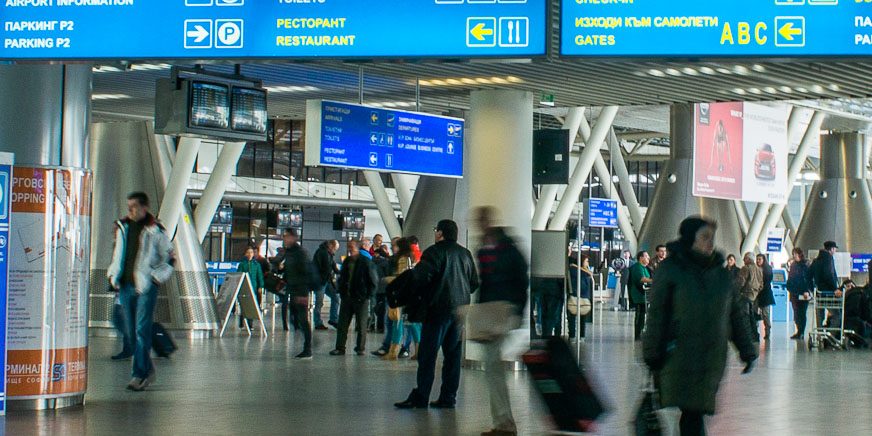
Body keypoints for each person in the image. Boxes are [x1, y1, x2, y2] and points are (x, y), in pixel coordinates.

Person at [644, 216, 757, 436]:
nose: (710, 243)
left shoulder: (722, 275)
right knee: (693, 413)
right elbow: (658, 315)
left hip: (712, 358)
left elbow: (735, 316)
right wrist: (652, 353)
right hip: (679, 354)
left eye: (711, 238)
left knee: (694, 413)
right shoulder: (672, 270)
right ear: (689, 239)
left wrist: (747, 350)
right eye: (704, 237)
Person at [395, 219, 479, 409]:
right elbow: (473, 283)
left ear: (440, 233)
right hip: (459, 312)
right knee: (453, 356)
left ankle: (422, 396)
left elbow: (421, 277)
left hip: (437, 310)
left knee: (428, 355)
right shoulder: (465, 254)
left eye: (436, 230)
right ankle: (448, 397)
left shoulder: (434, 252)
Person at [107, 192, 175, 391]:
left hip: (145, 286)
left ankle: (139, 374)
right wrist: (113, 276)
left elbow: (170, 258)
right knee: (131, 330)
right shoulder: (123, 227)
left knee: (140, 331)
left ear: (144, 207)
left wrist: (156, 277)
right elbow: (118, 254)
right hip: (125, 285)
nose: (130, 210)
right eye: (129, 206)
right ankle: (146, 368)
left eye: (134, 206)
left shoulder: (156, 231)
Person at [476, 226, 528, 436]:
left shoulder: (505, 253)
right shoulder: (491, 252)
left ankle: (505, 424)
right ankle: (503, 422)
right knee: (492, 367)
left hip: (502, 313)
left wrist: (514, 312)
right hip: (495, 314)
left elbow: (514, 284)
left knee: (492, 366)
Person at [331, 239, 378, 356]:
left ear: (357, 247)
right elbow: (342, 278)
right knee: (342, 324)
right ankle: (340, 347)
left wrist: (367, 296)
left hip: (361, 298)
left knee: (361, 325)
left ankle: (360, 348)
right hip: (347, 297)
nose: (349, 249)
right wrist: (341, 291)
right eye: (348, 246)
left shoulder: (366, 262)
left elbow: (373, 280)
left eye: (351, 246)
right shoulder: (347, 261)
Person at [276, 228, 315, 359]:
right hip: (292, 289)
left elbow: (305, 272)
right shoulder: (289, 253)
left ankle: (308, 347)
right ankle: (307, 341)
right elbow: (288, 269)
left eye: (286, 236)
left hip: (300, 291)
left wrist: (302, 291)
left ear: (293, 237)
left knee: (303, 319)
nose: (284, 239)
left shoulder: (300, 253)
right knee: (294, 318)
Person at [375, 238, 415, 360]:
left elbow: (401, 276)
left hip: (400, 296)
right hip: (405, 295)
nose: (393, 248)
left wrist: (389, 281)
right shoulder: (407, 258)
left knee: (398, 323)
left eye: (395, 245)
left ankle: (394, 351)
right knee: (408, 325)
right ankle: (411, 351)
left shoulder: (403, 259)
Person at [312, 240, 340, 331]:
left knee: (335, 298)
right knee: (319, 303)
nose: (335, 251)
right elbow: (326, 268)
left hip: (326, 281)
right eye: (335, 249)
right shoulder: (322, 253)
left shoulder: (329, 254)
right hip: (320, 281)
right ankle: (318, 323)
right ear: (331, 246)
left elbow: (333, 266)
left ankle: (333, 319)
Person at [811, 241, 841, 327]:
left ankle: (820, 335)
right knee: (837, 315)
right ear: (831, 249)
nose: (835, 251)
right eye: (835, 249)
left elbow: (808, 275)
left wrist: (812, 289)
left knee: (820, 316)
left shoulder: (816, 260)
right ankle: (829, 336)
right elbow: (829, 275)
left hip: (819, 293)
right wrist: (835, 288)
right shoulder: (829, 258)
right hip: (828, 293)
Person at [786, 248, 813, 339]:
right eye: (793, 254)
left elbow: (808, 280)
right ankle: (799, 331)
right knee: (796, 313)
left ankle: (801, 331)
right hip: (794, 293)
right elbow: (791, 278)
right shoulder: (793, 265)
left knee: (802, 313)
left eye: (796, 254)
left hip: (803, 293)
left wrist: (807, 291)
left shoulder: (806, 265)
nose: (794, 256)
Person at [237, 245, 265, 328]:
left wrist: (261, 286)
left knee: (252, 305)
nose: (250, 254)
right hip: (245, 287)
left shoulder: (256, 265)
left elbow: (260, 276)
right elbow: (239, 274)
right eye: (248, 252)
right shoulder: (242, 264)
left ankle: (250, 324)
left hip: (253, 287)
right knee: (244, 304)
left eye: (251, 252)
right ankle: (242, 321)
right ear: (245, 254)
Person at [628, 251, 654, 341]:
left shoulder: (646, 268)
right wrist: (653, 280)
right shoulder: (637, 267)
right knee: (639, 315)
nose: (648, 258)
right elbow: (642, 279)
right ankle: (637, 334)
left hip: (644, 296)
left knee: (643, 315)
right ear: (641, 258)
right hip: (638, 295)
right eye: (646, 256)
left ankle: (641, 332)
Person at [567, 252, 594, 340]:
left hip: (578, 296)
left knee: (575, 317)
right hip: (578, 296)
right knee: (577, 317)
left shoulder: (578, 270)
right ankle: (578, 335)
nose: (587, 263)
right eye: (586, 261)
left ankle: (574, 335)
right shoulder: (576, 270)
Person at [738, 252, 763, 342]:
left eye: (745, 258)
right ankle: (755, 335)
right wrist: (756, 291)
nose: (744, 260)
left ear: (748, 259)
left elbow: (741, 282)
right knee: (753, 316)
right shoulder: (759, 269)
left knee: (746, 316)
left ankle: (748, 336)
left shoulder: (746, 268)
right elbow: (761, 284)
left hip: (746, 295)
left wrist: (737, 291)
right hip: (755, 296)